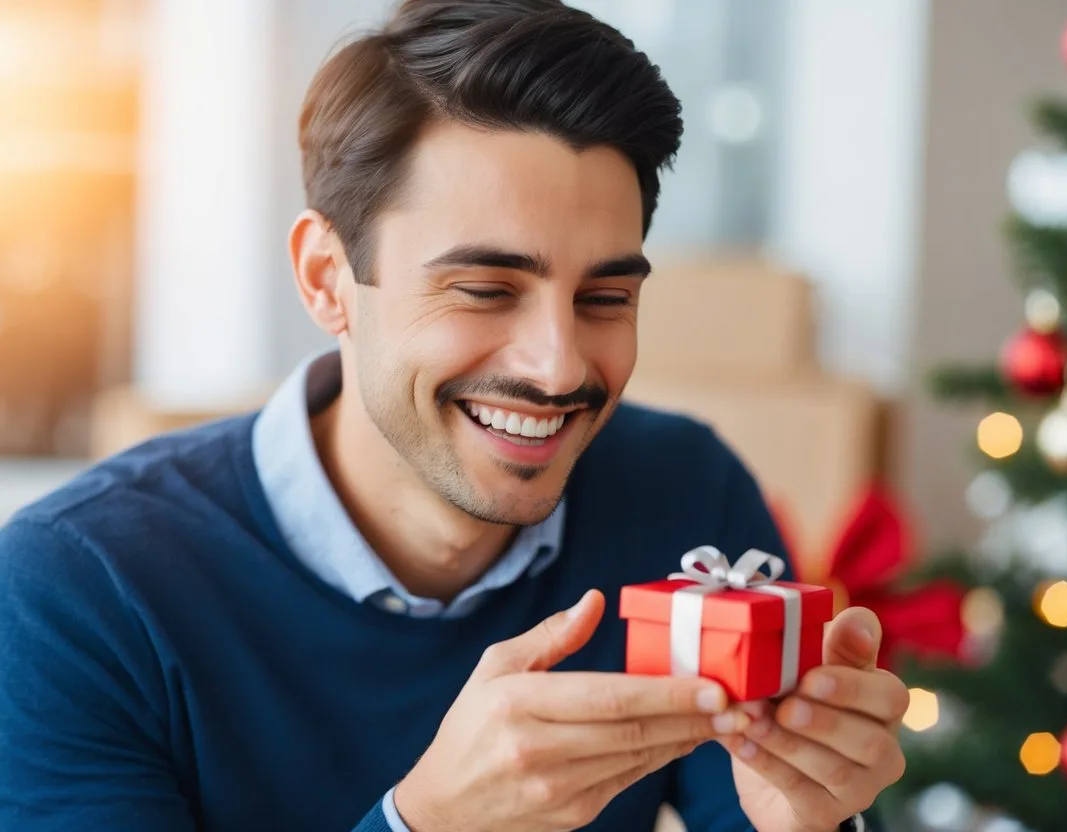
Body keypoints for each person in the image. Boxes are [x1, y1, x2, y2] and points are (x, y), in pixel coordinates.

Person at [0, 1, 910, 830]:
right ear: (327, 278)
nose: (557, 368)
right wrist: (423, 823)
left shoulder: (687, 497)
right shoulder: (72, 593)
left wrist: (810, 816)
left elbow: (761, 808)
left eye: (603, 298)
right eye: (483, 289)